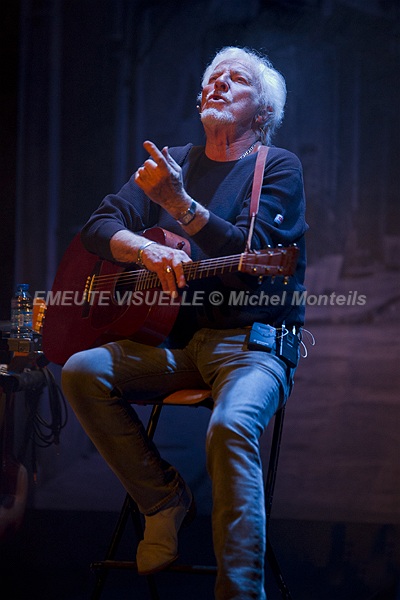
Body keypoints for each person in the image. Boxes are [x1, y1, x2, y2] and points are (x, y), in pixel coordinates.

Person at [61, 46, 308, 599]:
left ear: (263, 112)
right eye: (212, 77)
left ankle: (239, 591)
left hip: (253, 347)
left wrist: (178, 204)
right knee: (81, 371)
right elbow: (98, 226)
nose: (217, 84)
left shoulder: (276, 166)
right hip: (175, 345)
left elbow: (253, 257)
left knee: (230, 426)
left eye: (235, 79)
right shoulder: (172, 162)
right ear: (200, 98)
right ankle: (163, 500)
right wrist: (143, 251)